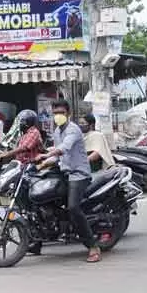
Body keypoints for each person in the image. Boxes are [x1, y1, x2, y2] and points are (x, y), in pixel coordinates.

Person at [37, 99, 101, 263]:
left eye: (61, 113)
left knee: (73, 208)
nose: (58, 116)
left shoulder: (73, 130)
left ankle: (93, 246)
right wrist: (41, 162)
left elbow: (63, 148)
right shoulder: (57, 132)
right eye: (55, 113)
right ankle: (37, 241)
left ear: (68, 114)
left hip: (79, 174)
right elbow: (59, 155)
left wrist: (47, 155)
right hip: (64, 172)